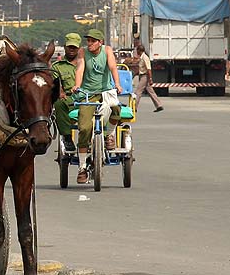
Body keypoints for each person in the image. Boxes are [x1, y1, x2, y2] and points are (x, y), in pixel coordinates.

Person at [72, 28, 124, 184]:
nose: (89, 44)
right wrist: (77, 85)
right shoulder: (82, 52)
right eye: (88, 41)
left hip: (106, 91)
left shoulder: (107, 50)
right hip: (88, 93)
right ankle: (82, 168)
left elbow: (113, 68)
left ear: (100, 42)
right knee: (85, 128)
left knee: (116, 108)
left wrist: (117, 84)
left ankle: (109, 135)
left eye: (92, 41)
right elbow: (80, 69)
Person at [51, 33, 82, 152]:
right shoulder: (57, 66)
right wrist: (60, 92)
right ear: (65, 47)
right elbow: (55, 83)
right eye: (70, 47)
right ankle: (67, 137)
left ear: (79, 48)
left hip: (87, 97)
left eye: (74, 47)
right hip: (69, 99)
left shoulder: (86, 63)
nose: (72, 50)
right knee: (58, 103)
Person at [133, 43, 163, 112]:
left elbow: (148, 69)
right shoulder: (141, 58)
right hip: (142, 75)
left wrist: (150, 79)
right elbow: (141, 68)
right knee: (151, 91)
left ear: (139, 51)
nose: (136, 52)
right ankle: (159, 105)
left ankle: (134, 107)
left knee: (138, 92)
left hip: (145, 76)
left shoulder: (145, 58)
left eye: (137, 51)